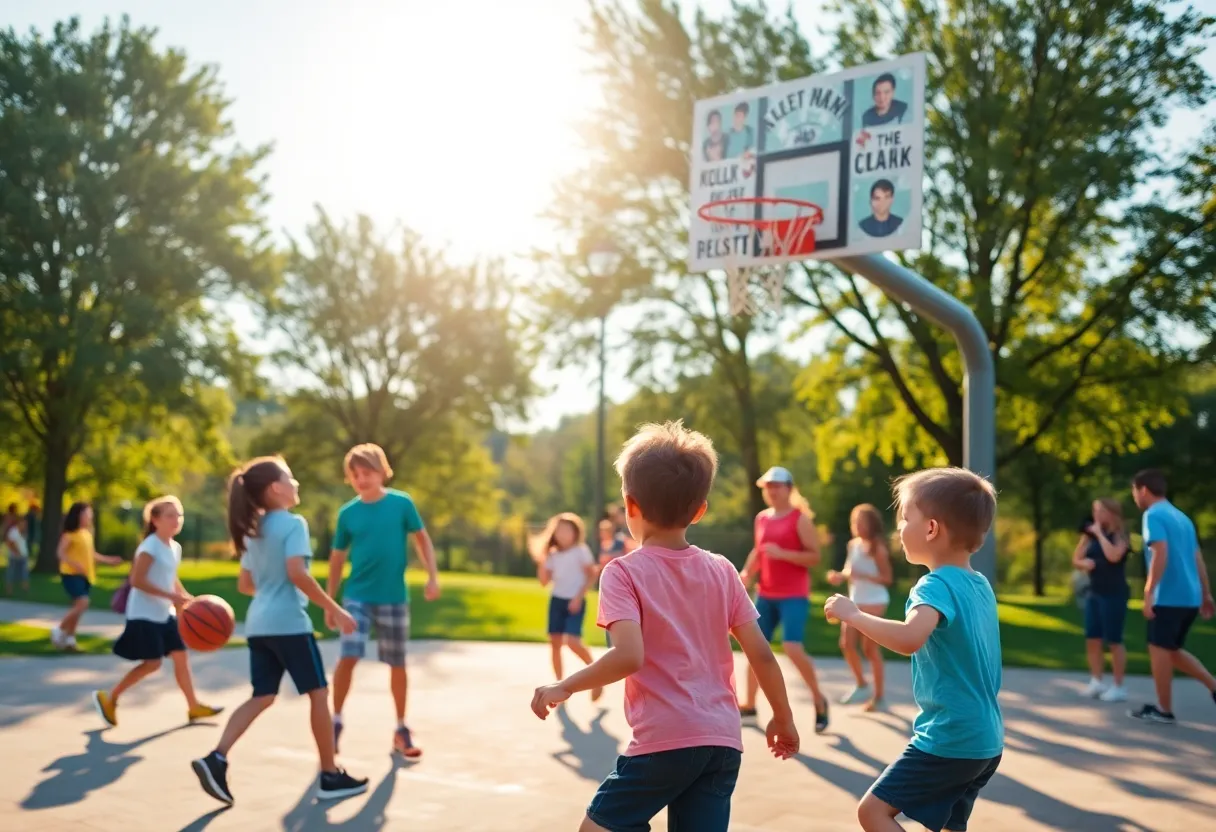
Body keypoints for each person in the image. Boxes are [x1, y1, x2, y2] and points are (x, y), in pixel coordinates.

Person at [530, 421, 799, 832]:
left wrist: (565, 685)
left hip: (666, 741)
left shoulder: (623, 573)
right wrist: (782, 716)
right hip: (722, 742)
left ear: (630, 505)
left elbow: (628, 655)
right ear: (700, 509)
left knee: (597, 828)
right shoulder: (722, 570)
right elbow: (761, 652)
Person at [826, 467, 1002, 832]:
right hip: (986, 739)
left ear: (932, 529)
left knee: (873, 812)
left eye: (905, 518)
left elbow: (909, 638)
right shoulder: (979, 583)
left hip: (949, 737)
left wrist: (854, 615)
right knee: (951, 826)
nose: (898, 529)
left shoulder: (933, 586)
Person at [191, 456, 368, 806]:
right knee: (319, 694)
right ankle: (330, 776)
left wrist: (271, 594)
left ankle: (217, 758)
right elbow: (297, 573)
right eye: (291, 478)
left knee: (263, 695)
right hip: (289, 624)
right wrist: (333, 608)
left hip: (259, 624)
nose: (296, 483)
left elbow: (245, 584)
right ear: (276, 488)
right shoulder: (292, 524)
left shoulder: (252, 529)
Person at [326, 443, 440, 760]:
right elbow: (336, 559)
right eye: (356, 474)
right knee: (348, 656)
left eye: (368, 472)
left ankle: (401, 728)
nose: (362, 479)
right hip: (356, 597)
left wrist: (432, 575)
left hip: (393, 597)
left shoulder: (402, 504)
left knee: (397, 663)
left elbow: (422, 540)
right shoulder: (347, 513)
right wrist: (329, 601)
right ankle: (335, 722)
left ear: (382, 471)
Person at [92, 496, 222, 727]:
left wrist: (186, 599)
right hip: (144, 615)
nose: (176, 520)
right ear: (155, 519)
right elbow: (137, 580)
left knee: (181, 658)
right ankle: (110, 697)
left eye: (179, 515)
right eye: (170, 515)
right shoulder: (150, 546)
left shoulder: (174, 547)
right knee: (153, 663)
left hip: (164, 613)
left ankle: (193, 707)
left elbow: (170, 578)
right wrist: (172, 597)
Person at [738, 466, 830, 733]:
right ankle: (750, 705)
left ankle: (818, 700)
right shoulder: (762, 518)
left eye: (777, 486)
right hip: (766, 594)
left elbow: (814, 557)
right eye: (768, 486)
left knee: (791, 647)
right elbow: (759, 550)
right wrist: (747, 572)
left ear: (789, 488)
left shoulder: (800, 519)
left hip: (794, 595)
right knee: (754, 647)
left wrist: (783, 554)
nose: (772, 491)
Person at [1128, 469, 1216, 725]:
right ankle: (1213, 686)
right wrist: (1206, 593)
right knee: (1171, 650)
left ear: (1143, 489)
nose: (1135, 497)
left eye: (1135, 491)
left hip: (1168, 596)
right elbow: (1196, 557)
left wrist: (1148, 591)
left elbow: (1160, 553)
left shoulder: (1153, 514)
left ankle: (1164, 710)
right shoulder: (1182, 517)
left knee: (1159, 650)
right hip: (1189, 596)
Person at [827, 504, 893, 709]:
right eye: (855, 522)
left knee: (869, 649)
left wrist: (863, 576)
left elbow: (887, 578)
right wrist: (840, 576)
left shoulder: (878, 548)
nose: (857, 526)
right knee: (846, 644)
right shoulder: (853, 545)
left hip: (875, 601)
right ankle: (862, 685)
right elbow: (850, 570)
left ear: (871, 524)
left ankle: (879, 697)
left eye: (861, 522)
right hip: (856, 600)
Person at [532, 512, 602, 702]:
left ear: (575, 532)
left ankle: (597, 677)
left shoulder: (581, 551)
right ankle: (558, 686)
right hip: (557, 601)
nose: (563, 534)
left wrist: (578, 597)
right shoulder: (552, 555)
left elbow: (592, 574)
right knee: (555, 644)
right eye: (559, 530)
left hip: (575, 601)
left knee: (572, 641)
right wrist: (542, 560)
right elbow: (544, 582)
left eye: (567, 530)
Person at [1071, 497, 1131, 702]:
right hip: (1093, 592)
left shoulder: (1120, 535)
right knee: (1092, 638)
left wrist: (1099, 535)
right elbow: (1076, 558)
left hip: (1114, 593)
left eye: (1100, 511)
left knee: (1114, 640)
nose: (1096, 515)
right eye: (1094, 510)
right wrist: (1084, 563)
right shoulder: (1092, 535)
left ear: (1111, 513)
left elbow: (1113, 556)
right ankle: (1096, 681)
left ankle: (1118, 685)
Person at [53, 502, 122, 651]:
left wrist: (109, 561)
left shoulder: (86, 534)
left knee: (78, 607)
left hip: (85, 576)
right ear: (78, 516)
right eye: (86, 514)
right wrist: (74, 564)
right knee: (83, 603)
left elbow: (91, 555)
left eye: (90, 514)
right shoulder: (70, 534)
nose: (89, 517)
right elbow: (60, 553)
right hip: (71, 575)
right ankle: (59, 630)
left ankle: (70, 639)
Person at [4, 504, 30, 596]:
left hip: (23, 556)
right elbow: (9, 543)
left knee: (24, 574)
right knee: (11, 573)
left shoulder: (23, 532)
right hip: (15, 557)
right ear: (19, 523)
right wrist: (16, 552)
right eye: (23, 524)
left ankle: (25, 590)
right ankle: (9, 589)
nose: (25, 526)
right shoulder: (13, 531)